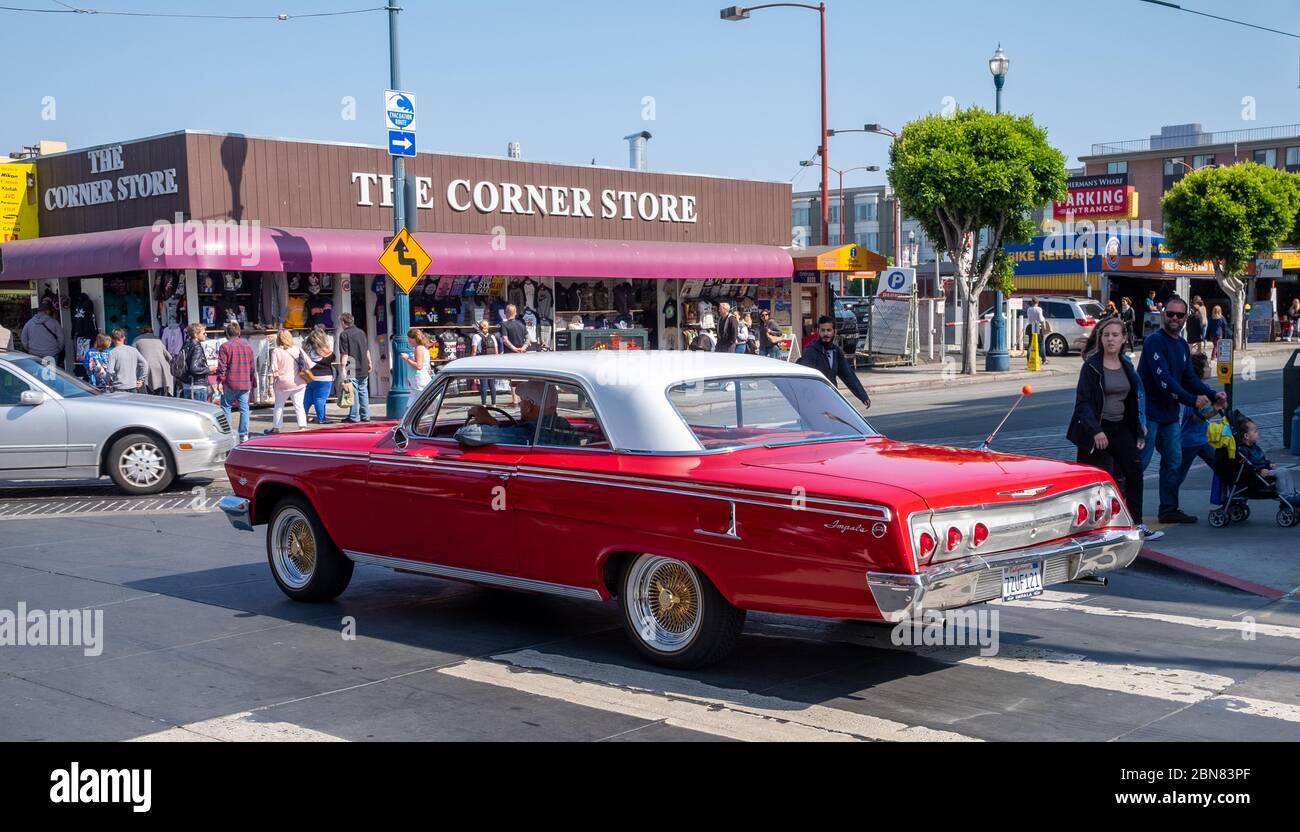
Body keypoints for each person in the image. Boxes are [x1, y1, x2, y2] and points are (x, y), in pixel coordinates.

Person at [1137, 296, 1226, 524]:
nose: (1174, 318)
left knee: (1173, 461)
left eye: (1179, 315)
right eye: (1170, 314)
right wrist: (1191, 399)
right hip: (1147, 414)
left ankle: (1168, 509)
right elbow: (1163, 380)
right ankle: (1127, 512)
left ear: (1186, 317)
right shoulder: (1154, 342)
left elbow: (1189, 378)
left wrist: (1211, 393)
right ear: (1163, 314)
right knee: (1140, 463)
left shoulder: (1181, 345)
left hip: (1169, 415)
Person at [1069, 317, 1159, 540]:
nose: (1110, 339)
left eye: (1115, 335)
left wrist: (1138, 430)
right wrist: (1095, 431)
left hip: (1120, 428)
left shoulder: (1127, 366)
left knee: (1134, 471)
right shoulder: (1091, 366)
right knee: (1097, 480)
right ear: (1100, 339)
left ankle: (1136, 524)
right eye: (1106, 335)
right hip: (1097, 430)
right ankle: (1092, 528)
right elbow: (1083, 403)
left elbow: (1132, 402)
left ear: (1124, 339)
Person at [455, 380, 576, 447]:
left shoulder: (528, 432)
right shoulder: (564, 426)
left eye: (521, 401)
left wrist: (462, 429)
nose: (520, 404)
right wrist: (494, 422)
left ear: (528, 406)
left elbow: (468, 434)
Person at [1174, 356, 1226, 495]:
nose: (1210, 368)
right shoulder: (1196, 391)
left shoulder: (1206, 389)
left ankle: (1228, 496)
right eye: (1207, 366)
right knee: (1179, 475)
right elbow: (1195, 418)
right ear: (1199, 371)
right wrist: (1214, 410)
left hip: (1202, 439)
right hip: (1190, 441)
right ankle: (1169, 502)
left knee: (1220, 466)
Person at [797, 315, 871, 410]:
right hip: (814, 402)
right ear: (818, 331)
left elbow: (848, 374)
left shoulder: (836, 351)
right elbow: (806, 380)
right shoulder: (811, 351)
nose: (825, 334)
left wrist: (862, 396)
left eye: (829, 330)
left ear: (834, 332)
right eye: (822, 330)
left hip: (831, 398)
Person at [216, 322, 257, 443]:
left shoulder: (225, 346)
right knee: (244, 409)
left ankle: (227, 433)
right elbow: (252, 367)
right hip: (245, 382)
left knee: (226, 407)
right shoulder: (248, 346)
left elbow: (222, 367)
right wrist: (252, 382)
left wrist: (220, 381)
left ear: (227, 333)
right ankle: (244, 434)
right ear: (239, 332)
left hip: (230, 382)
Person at [1237, 418, 1298, 498]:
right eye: (1255, 432)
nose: (1257, 434)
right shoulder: (1243, 450)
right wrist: (1259, 471)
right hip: (1257, 475)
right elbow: (1247, 466)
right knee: (1280, 473)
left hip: (1265, 470)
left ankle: (1291, 494)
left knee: (1285, 470)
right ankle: (1285, 494)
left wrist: (1269, 464)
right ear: (1246, 436)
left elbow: (1262, 460)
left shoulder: (1255, 447)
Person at [336, 312, 372, 423]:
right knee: (363, 391)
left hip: (351, 365)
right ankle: (365, 415)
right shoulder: (361, 332)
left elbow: (344, 353)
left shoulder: (344, 335)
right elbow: (366, 349)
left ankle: (354, 416)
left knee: (353, 392)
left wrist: (342, 368)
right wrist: (369, 362)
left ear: (343, 322)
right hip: (364, 364)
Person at [303, 328, 335, 424]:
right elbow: (332, 358)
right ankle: (321, 419)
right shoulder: (326, 351)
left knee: (307, 399)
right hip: (325, 378)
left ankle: (302, 417)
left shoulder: (307, 350)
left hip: (309, 377)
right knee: (320, 399)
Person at [132, 326, 174, 395]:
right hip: (161, 368)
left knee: (149, 393)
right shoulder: (157, 340)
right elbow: (168, 356)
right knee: (160, 392)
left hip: (147, 368)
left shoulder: (136, 340)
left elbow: (133, 355)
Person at [176, 323, 212, 401]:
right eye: (203, 333)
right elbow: (194, 368)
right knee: (201, 412)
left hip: (187, 384)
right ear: (196, 335)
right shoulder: (197, 347)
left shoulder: (186, 344)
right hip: (197, 386)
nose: (206, 334)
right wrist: (209, 369)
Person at [104, 328, 146, 393]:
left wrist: (108, 381)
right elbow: (145, 364)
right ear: (123, 337)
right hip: (133, 386)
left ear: (112, 339)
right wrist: (141, 380)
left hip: (119, 387)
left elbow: (109, 371)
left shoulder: (113, 352)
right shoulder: (133, 350)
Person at [470, 319, 500, 405]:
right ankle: (494, 404)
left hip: (481, 361)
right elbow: (496, 352)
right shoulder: (493, 336)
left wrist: (472, 362)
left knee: (483, 383)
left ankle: (484, 404)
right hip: (491, 362)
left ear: (479, 327)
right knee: (492, 384)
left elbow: (474, 351)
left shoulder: (476, 336)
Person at [400, 328, 432, 395]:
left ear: (415, 338)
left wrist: (407, 358)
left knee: (419, 402)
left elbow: (419, 366)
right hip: (418, 380)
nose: (408, 341)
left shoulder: (419, 348)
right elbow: (428, 367)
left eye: (410, 339)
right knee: (413, 404)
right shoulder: (422, 348)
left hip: (419, 380)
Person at [1024, 297, 1049, 363]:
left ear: (1032, 302)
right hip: (1038, 326)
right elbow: (1041, 319)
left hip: (1030, 326)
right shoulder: (1039, 309)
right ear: (1038, 302)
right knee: (1041, 343)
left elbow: (1029, 318)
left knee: (1030, 344)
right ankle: (1044, 359)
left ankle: (1028, 359)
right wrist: (1044, 319)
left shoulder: (1029, 309)